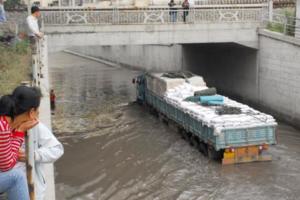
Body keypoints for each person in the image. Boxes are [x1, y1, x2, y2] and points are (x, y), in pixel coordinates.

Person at [0, 86, 41, 200]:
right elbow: (6, 166)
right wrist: (20, 132)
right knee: (17, 177)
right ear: (31, 112)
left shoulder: (5, 121)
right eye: (37, 111)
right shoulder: (3, 126)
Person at [19, 122, 64, 200]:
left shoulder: (34, 126)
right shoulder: (4, 128)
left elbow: (57, 150)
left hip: (32, 188)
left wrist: (35, 155)